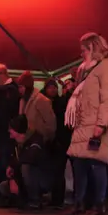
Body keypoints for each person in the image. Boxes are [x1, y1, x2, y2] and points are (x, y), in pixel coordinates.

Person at [63, 33, 108, 215]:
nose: (81, 54)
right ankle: (80, 203)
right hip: (84, 122)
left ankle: (99, 204)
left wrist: (101, 124)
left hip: (97, 121)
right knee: (79, 163)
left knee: (97, 163)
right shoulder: (86, 70)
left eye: (83, 50)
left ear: (92, 48)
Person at [0, 115, 47, 209]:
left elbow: (29, 159)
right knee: (3, 186)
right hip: (24, 178)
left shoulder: (36, 140)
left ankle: (35, 200)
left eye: (11, 131)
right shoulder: (18, 143)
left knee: (26, 167)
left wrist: (14, 173)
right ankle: (21, 199)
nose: (10, 135)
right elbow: (15, 160)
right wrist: (12, 176)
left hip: (42, 177)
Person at [0, 64, 21, 202]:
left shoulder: (12, 90)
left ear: (2, 74)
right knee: (0, 164)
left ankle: (10, 195)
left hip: (8, 135)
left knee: (7, 164)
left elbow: (12, 113)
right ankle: (3, 194)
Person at [44, 79, 73, 208]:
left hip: (62, 139)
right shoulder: (47, 102)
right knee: (55, 171)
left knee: (59, 170)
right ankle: (55, 197)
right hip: (54, 141)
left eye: (54, 87)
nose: (53, 89)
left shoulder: (61, 102)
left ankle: (58, 198)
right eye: (50, 87)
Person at [17, 71, 56, 143]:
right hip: (26, 142)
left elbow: (51, 124)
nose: (19, 90)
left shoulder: (41, 100)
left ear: (27, 86)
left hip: (39, 143)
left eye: (21, 87)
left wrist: (44, 139)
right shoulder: (22, 100)